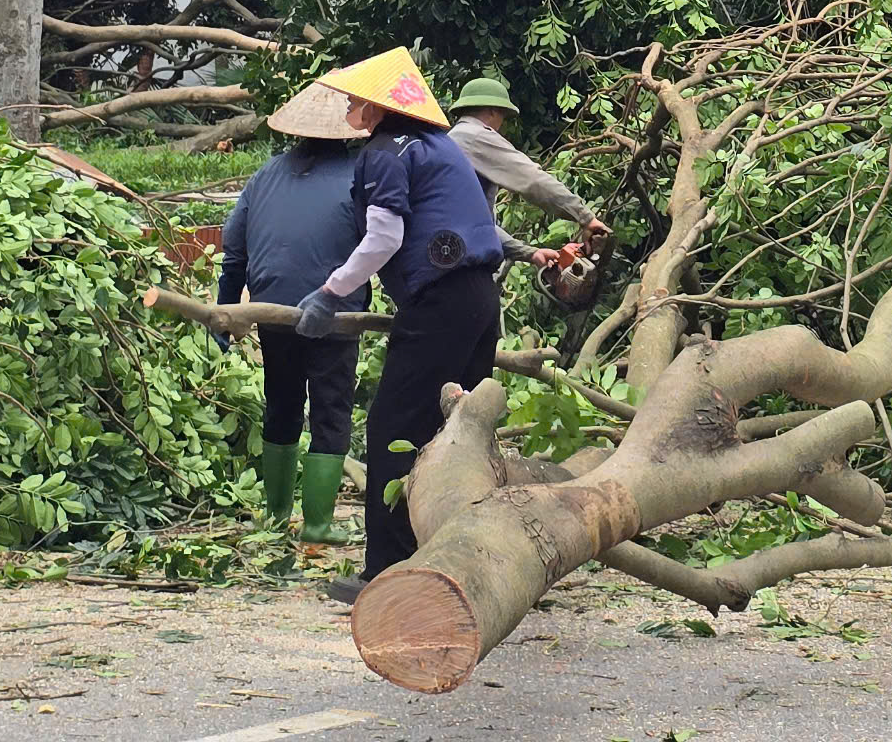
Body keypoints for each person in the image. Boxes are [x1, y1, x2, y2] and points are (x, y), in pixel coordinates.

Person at [292, 47, 503, 601]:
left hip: (439, 304)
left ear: (379, 104)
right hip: (482, 300)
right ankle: (468, 560)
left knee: (394, 431)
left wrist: (330, 292)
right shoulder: (441, 147)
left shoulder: (386, 151)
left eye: (355, 99)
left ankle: (386, 571)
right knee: (459, 434)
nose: (348, 108)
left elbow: (383, 239)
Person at [215, 80, 367, 544]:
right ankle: (318, 524)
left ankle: (275, 515)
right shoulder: (360, 175)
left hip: (272, 310)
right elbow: (380, 245)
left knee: (281, 403)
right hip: (334, 315)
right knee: (331, 410)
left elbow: (234, 251)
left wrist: (226, 310)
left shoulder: (264, 175)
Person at [448, 73, 610, 268]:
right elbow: (532, 180)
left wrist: (530, 253)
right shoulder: (474, 137)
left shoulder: (452, 140)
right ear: (492, 111)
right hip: (459, 269)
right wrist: (586, 217)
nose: (501, 125)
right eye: (503, 117)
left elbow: (477, 226)